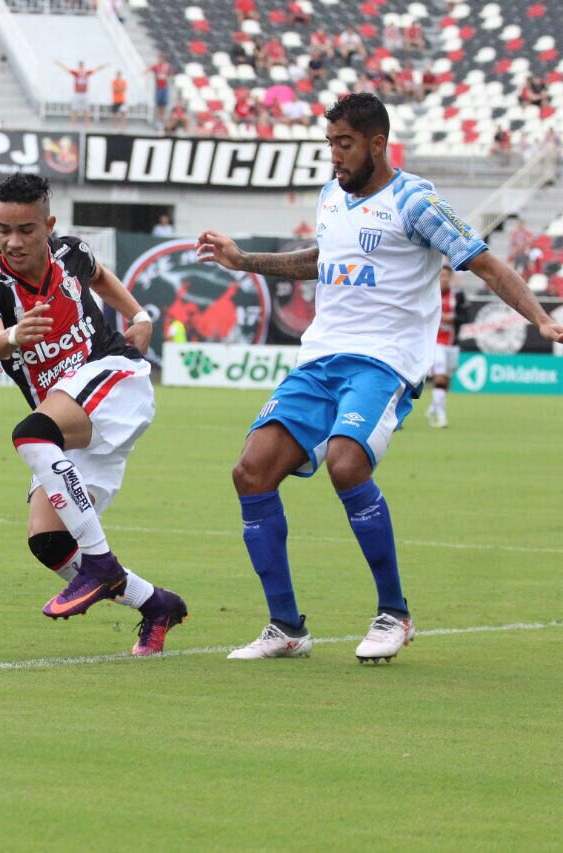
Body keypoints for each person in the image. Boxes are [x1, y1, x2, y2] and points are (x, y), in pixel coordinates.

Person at [195, 93, 563, 663]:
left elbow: (483, 262)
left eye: (344, 145)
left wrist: (540, 315)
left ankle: (394, 612)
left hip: (383, 359)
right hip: (319, 360)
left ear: (376, 143)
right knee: (250, 470)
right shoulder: (330, 198)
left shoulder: (416, 201)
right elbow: (319, 260)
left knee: (347, 462)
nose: (334, 158)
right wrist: (245, 262)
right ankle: (286, 627)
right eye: (329, 145)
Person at [0, 173, 188, 656]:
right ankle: (157, 605)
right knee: (48, 543)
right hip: (74, 424)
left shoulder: (71, 253)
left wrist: (141, 316)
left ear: (49, 225)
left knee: (30, 434)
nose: (13, 241)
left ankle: (101, 562)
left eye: (26, 229)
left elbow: (101, 277)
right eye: (3, 229)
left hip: (114, 380)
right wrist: (11, 338)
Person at [426, 263, 464, 428]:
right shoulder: (429, 294)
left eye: (447, 276)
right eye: (441, 276)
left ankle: (434, 408)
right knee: (440, 377)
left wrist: (453, 319)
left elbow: (466, 316)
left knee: (446, 380)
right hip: (435, 342)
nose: (444, 279)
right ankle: (441, 417)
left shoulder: (458, 296)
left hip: (452, 343)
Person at [57, 61, 105, 126]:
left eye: (82, 65)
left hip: (84, 93)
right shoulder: (76, 73)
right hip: (77, 93)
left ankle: (87, 125)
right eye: (80, 65)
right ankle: (73, 124)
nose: (81, 67)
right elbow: (67, 69)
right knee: (74, 110)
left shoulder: (86, 73)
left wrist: (103, 66)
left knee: (86, 110)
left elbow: (96, 69)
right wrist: (59, 64)